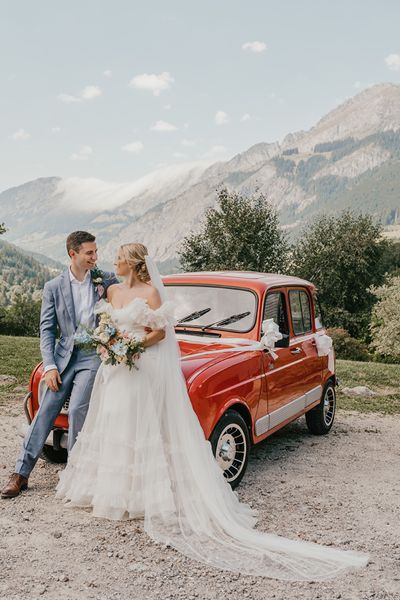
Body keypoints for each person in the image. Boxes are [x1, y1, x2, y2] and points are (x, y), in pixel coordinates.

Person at [55, 242, 369, 580]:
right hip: (117, 369)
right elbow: (113, 326)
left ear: (131, 263)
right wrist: (112, 344)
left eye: (117, 257)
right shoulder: (114, 290)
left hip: (137, 361)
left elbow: (160, 332)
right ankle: (115, 491)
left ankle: (144, 494)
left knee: (138, 426)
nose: (110, 261)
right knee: (118, 428)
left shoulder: (152, 294)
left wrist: (131, 345)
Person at [1, 231, 118, 499]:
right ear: (72, 254)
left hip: (92, 356)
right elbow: (46, 330)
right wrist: (50, 366)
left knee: (77, 409)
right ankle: (21, 473)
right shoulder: (53, 287)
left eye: (96, 252)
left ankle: (76, 473)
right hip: (63, 357)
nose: (95, 257)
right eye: (89, 253)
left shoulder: (105, 279)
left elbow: (124, 300)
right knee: (45, 411)